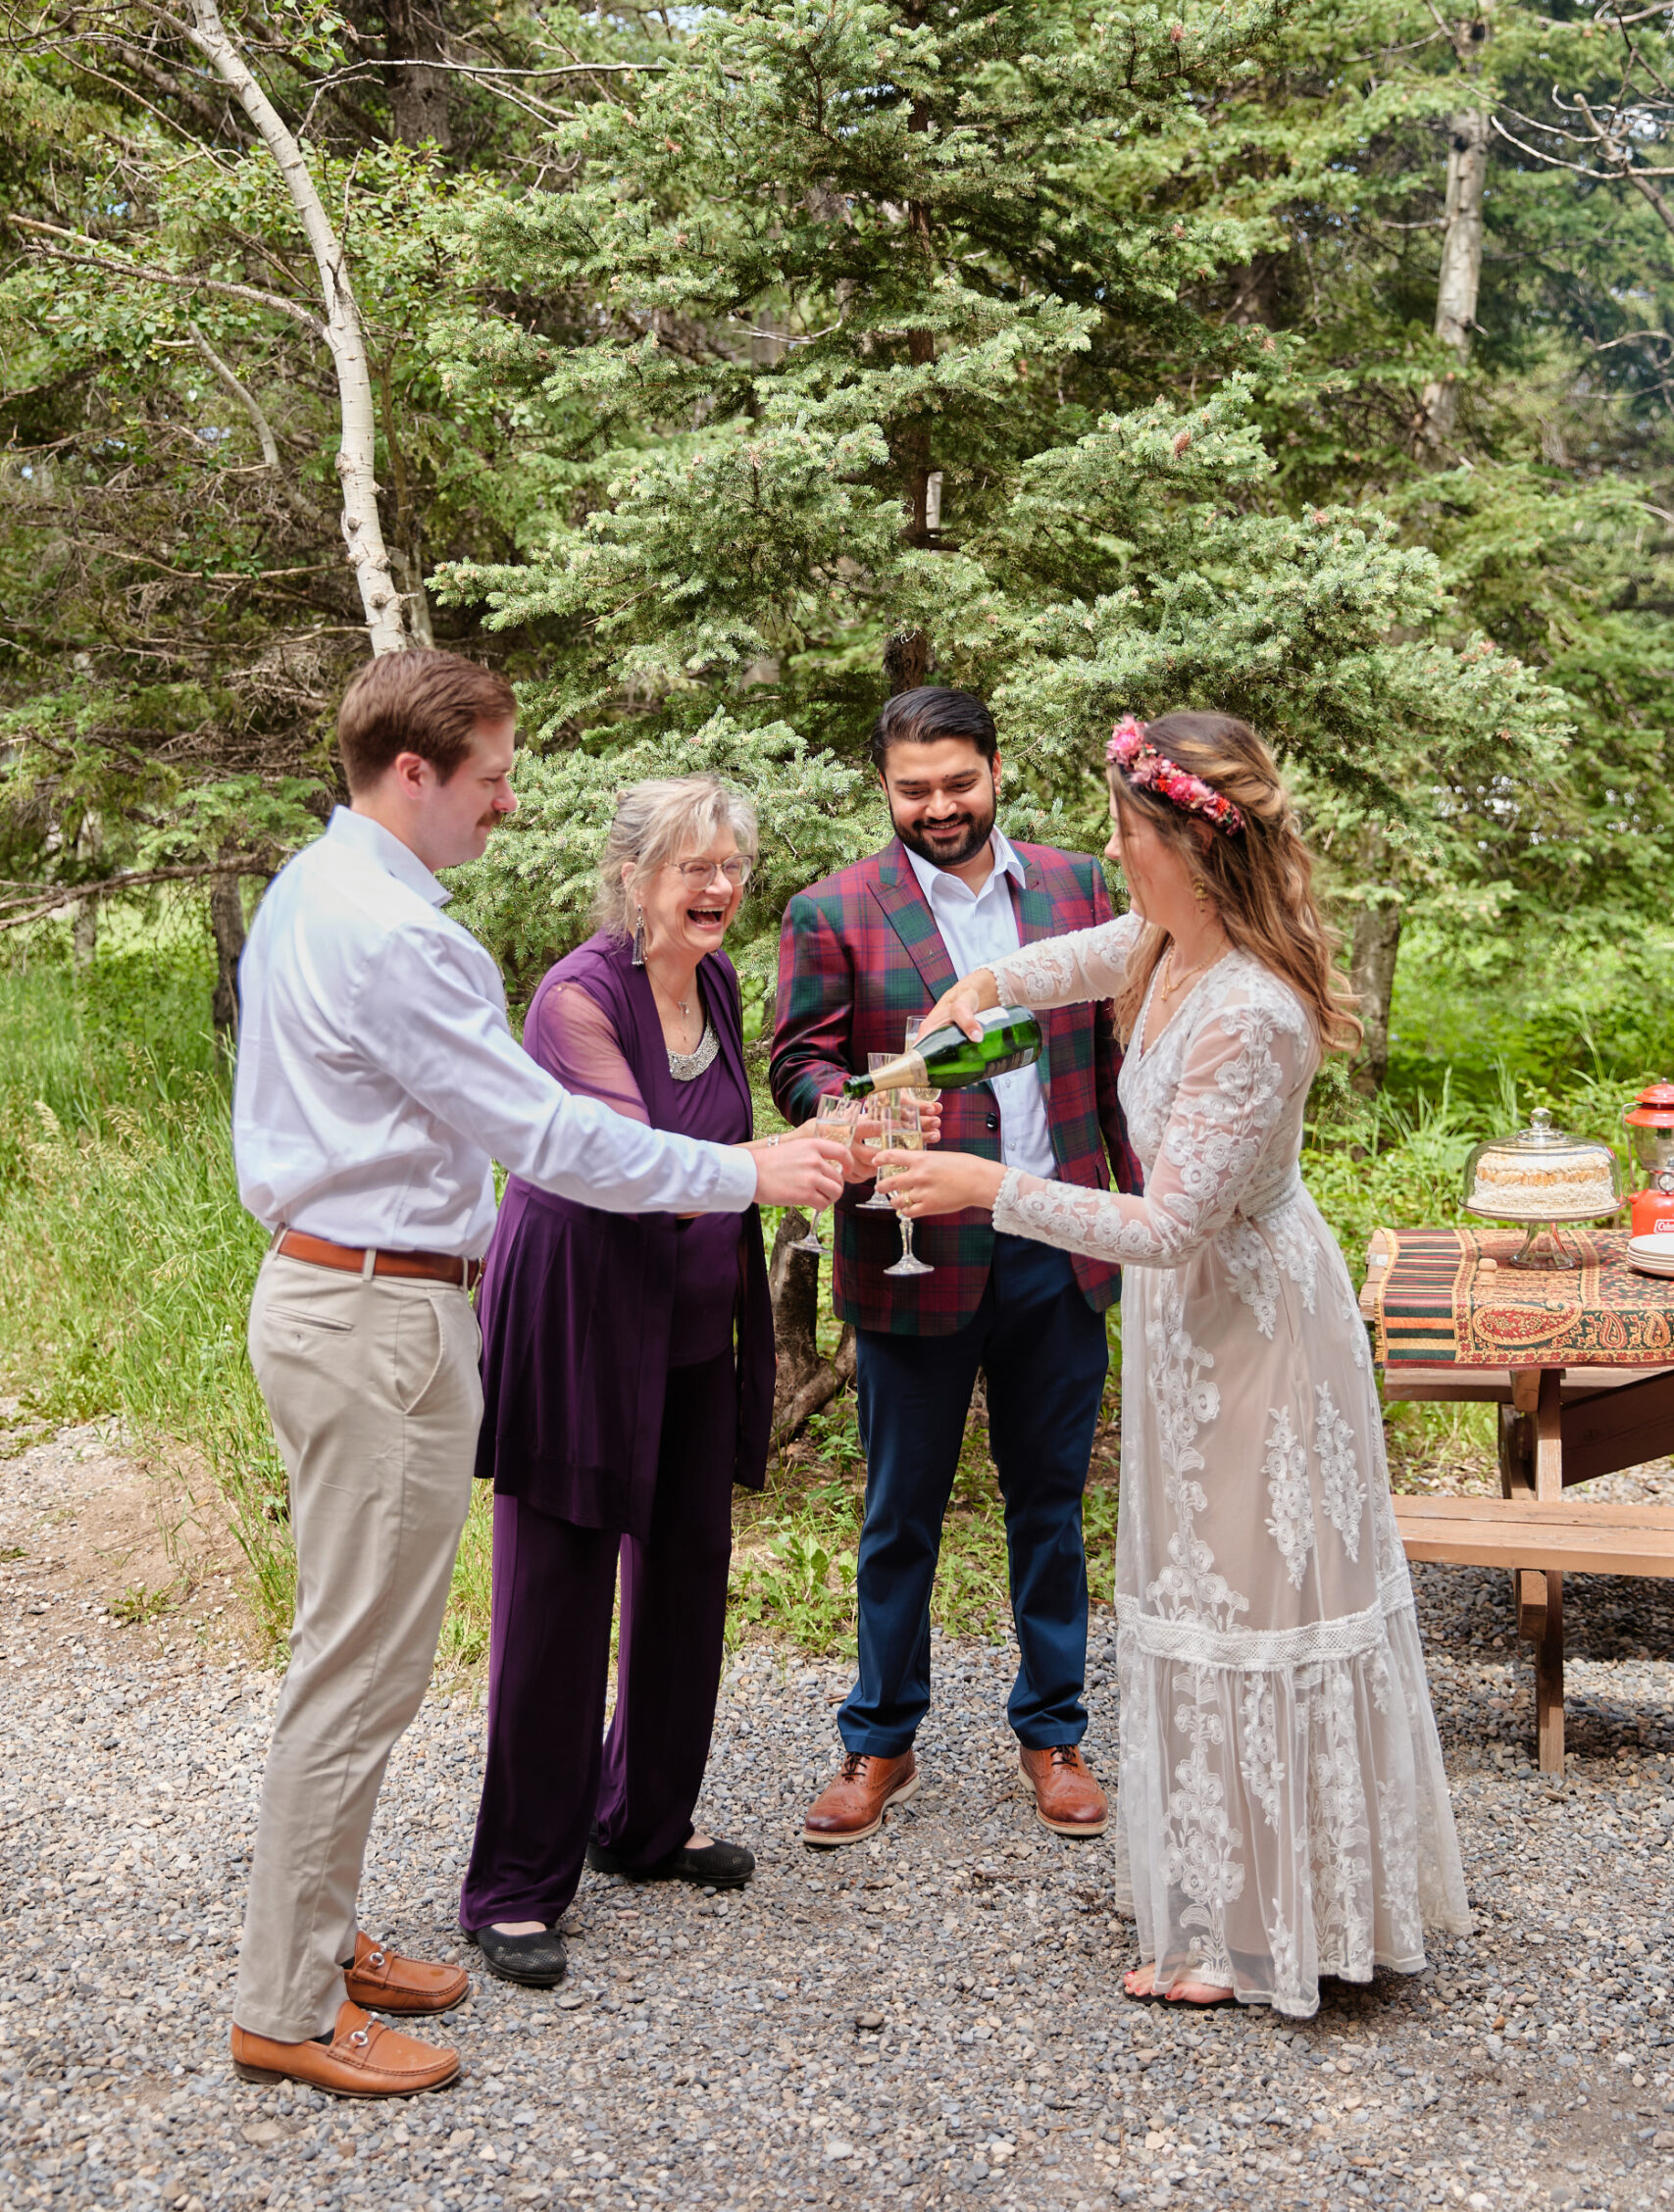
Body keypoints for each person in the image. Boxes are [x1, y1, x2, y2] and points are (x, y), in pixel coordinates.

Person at [228, 652, 845, 2098]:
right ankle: (289, 2004)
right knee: (358, 1674)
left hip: (355, 1295)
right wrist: (745, 1167)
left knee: (358, 1660)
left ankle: (321, 1940)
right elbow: (553, 1138)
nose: (510, 802)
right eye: (494, 775)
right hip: (372, 1313)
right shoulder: (395, 936)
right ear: (414, 774)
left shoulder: (323, 891)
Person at [885, 710, 1470, 2017]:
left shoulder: (1250, 1013)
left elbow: (1163, 1227)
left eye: (1127, 832)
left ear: (1195, 853)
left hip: (1254, 1332)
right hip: (1186, 1330)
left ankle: (1266, 1932)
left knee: (1251, 1605)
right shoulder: (1160, 943)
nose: (1108, 853)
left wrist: (990, 1186)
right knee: (1193, 1599)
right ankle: (1220, 1895)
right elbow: (1073, 958)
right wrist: (982, 984)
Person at [771, 685, 1141, 1847]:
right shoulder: (834, 909)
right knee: (900, 1513)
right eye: (913, 789)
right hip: (913, 1251)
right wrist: (857, 1117)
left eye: (958, 782)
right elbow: (799, 1064)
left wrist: (1149, 1205)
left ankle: (1056, 1732)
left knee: (1051, 1504)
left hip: (1060, 1241)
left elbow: (1121, 1056)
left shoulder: (1083, 888)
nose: (938, 806)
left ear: (995, 769)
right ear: (884, 788)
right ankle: (878, 1741)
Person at [460, 778, 784, 1986]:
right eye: (694, 866)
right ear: (634, 878)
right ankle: (513, 1885)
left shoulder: (721, 987)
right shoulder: (574, 998)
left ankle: (645, 1822)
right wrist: (769, 1166)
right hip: (580, 1320)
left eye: (733, 865)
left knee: (691, 1569)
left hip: (692, 1323)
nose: (718, 888)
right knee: (557, 1601)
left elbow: (727, 1147)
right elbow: (626, 1158)